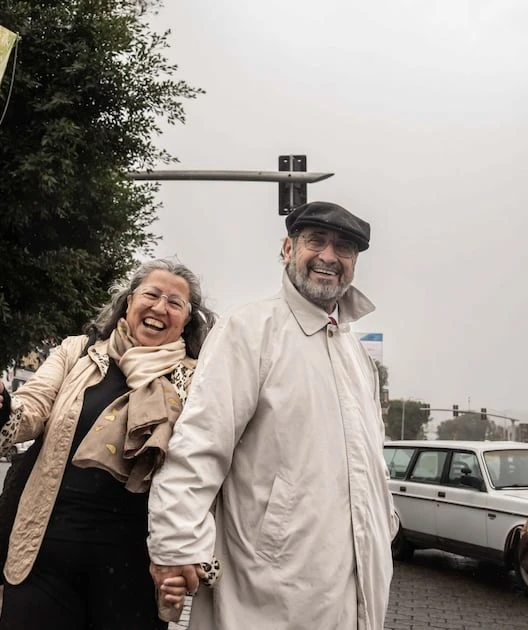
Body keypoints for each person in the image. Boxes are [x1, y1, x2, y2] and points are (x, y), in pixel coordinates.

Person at [147, 201, 398, 629]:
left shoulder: (358, 356)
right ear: (287, 248)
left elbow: (369, 462)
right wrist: (174, 548)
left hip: (355, 587)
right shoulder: (249, 331)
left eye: (344, 249)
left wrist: (384, 522)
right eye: (316, 241)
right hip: (266, 590)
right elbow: (199, 448)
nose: (329, 257)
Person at [0, 258, 215, 630]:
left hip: (136, 568)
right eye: (152, 295)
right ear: (128, 302)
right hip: (44, 556)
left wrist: (189, 555)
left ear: (187, 320)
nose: (160, 308)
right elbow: (32, 405)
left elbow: (204, 469)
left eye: (175, 303)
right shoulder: (77, 352)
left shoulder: (197, 379)